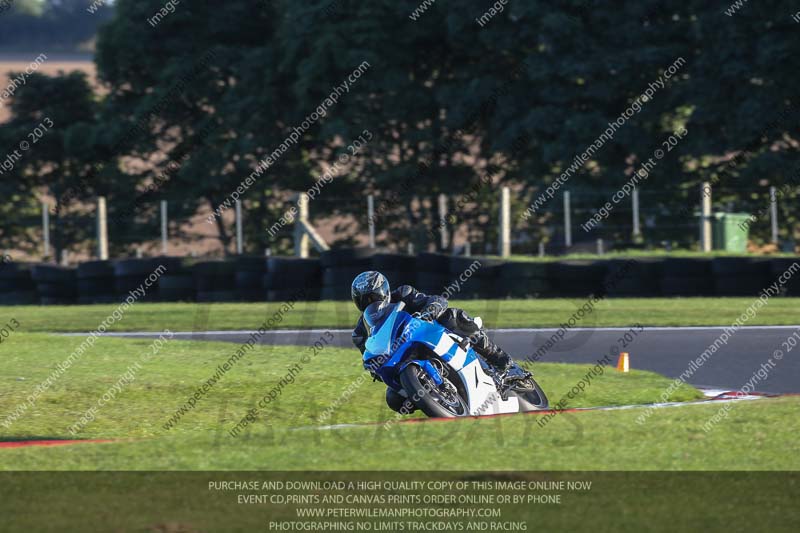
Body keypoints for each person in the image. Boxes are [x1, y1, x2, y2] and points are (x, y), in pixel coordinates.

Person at [350, 271, 524, 412]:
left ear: (384, 292)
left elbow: (436, 300)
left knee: (453, 317)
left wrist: (429, 311)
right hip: (399, 360)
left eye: (374, 297)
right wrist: (374, 369)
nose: (371, 302)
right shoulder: (360, 332)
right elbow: (371, 356)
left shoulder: (404, 294)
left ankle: (503, 362)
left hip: (429, 335)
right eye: (365, 300)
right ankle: (438, 403)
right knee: (393, 398)